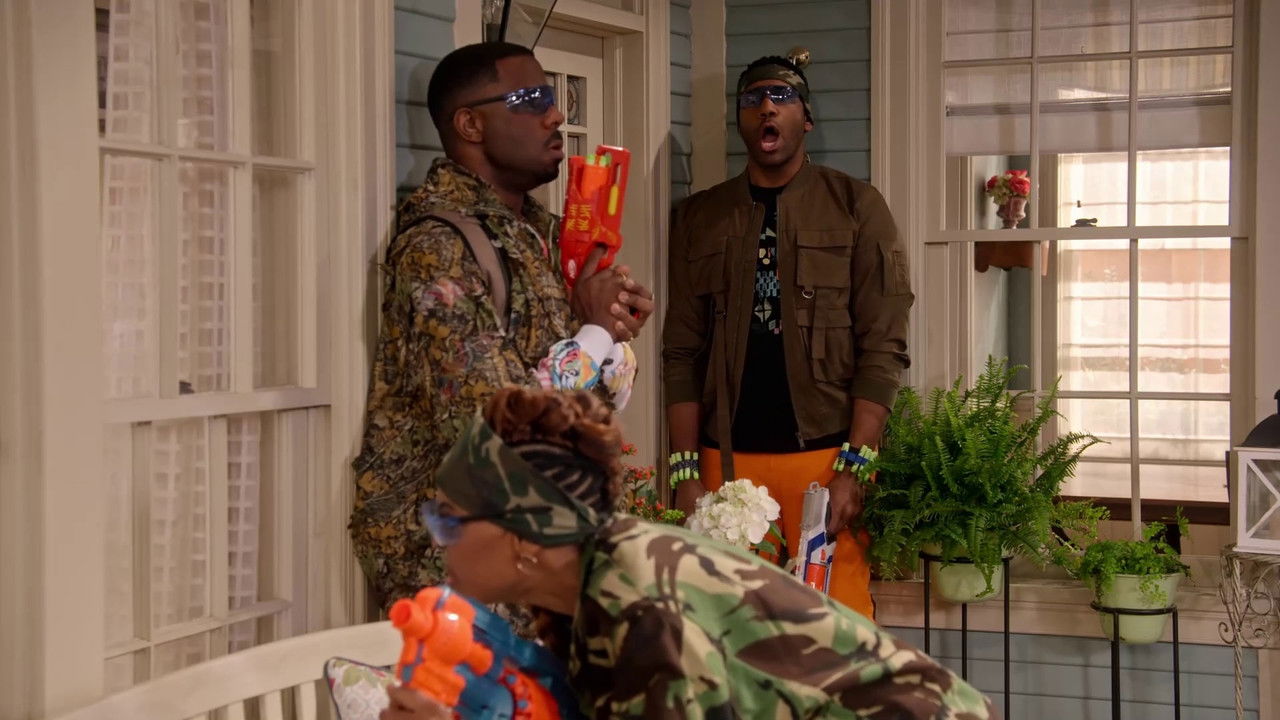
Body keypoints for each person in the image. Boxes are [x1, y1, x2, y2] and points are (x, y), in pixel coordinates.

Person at [378, 386, 996, 720]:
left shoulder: (639, 610)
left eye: (449, 520)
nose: (437, 538)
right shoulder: (590, 590)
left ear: (523, 537)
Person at [351, 41, 655, 610]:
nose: (555, 114)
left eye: (553, 97)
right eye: (532, 99)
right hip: (469, 585)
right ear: (470, 124)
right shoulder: (437, 249)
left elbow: (602, 398)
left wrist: (611, 329)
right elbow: (501, 433)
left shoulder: (546, 234)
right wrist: (593, 332)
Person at [661, 54, 913, 618]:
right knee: (732, 629)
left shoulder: (856, 206)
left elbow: (884, 345)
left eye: (781, 96)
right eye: (752, 99)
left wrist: (854, 469)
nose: (766, 108)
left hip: (824, 461)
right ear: (741, 121)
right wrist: (684, 473)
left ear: (807, 118)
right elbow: (681, 351)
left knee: (836, 628)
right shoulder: (700, 217)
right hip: (725, 463)